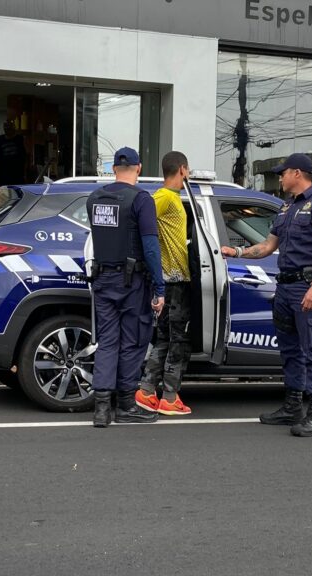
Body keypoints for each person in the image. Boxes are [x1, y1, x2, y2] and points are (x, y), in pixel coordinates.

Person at [220, 153, 312, 437]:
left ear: (297, 173)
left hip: (307, 287)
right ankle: (292, 407)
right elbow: (268, 246)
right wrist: (237, 252)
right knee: (290, 351)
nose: (280, 177)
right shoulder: (286, 207)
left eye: (282, 173)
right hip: (285, 289)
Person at [86, 146, 166, 428]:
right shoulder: (141, 199)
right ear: (139, 168)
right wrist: (160, 288)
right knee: (133, 340)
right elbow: (151, 247)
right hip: (132, 281)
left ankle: (101, 409)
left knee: (107, 340)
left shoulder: (95, 198)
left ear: (113, 169)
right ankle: (126, 405)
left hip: (103, 278)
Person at [135, 151, 193, 416]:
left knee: (165, 338)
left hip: (171, 280)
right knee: (177, 340)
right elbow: (141, 216)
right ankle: (169, 397)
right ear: (182, 169)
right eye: (188, 170)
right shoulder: (165, 197)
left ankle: (147, 391)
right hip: (174, 280)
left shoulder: (172, 198)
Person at [0, 120, 27, 186]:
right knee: (5, 194)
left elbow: (26, 155)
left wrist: (25, 172)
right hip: (4, 174)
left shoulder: (20, 138)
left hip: (17, 174)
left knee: (17, 194)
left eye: (9, 127)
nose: (7, 129)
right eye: (5, 127)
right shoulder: (0, 139)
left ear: (14, 127)